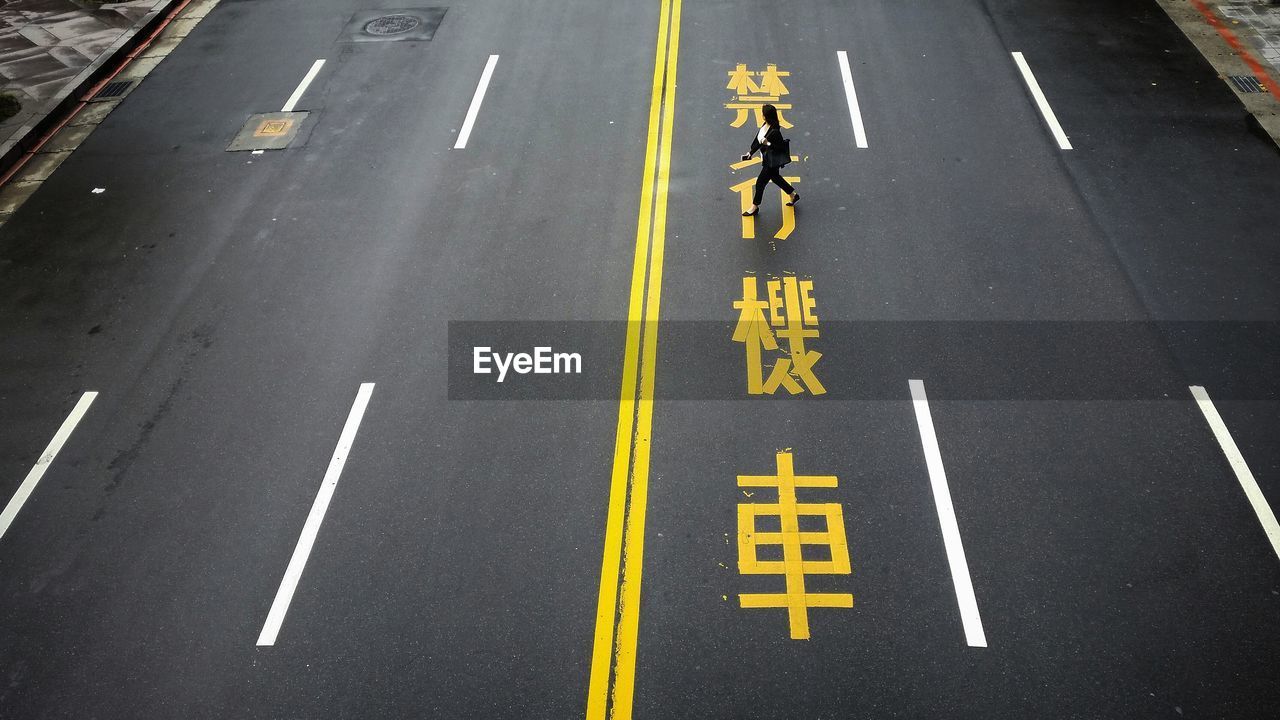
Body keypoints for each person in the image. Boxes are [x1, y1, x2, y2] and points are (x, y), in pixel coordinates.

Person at [740, 103, 798, 217]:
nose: (762, 115)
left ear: (766, 116)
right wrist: (750, 153)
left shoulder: (775, 131)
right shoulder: (764, 125)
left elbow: (779, 147)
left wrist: (769, 143)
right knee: (776, 178)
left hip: (771, 162)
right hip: (767, 159)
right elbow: (758, 141)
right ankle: (793, 195)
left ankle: (754, 207)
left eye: (763, 114)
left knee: (760, 183)